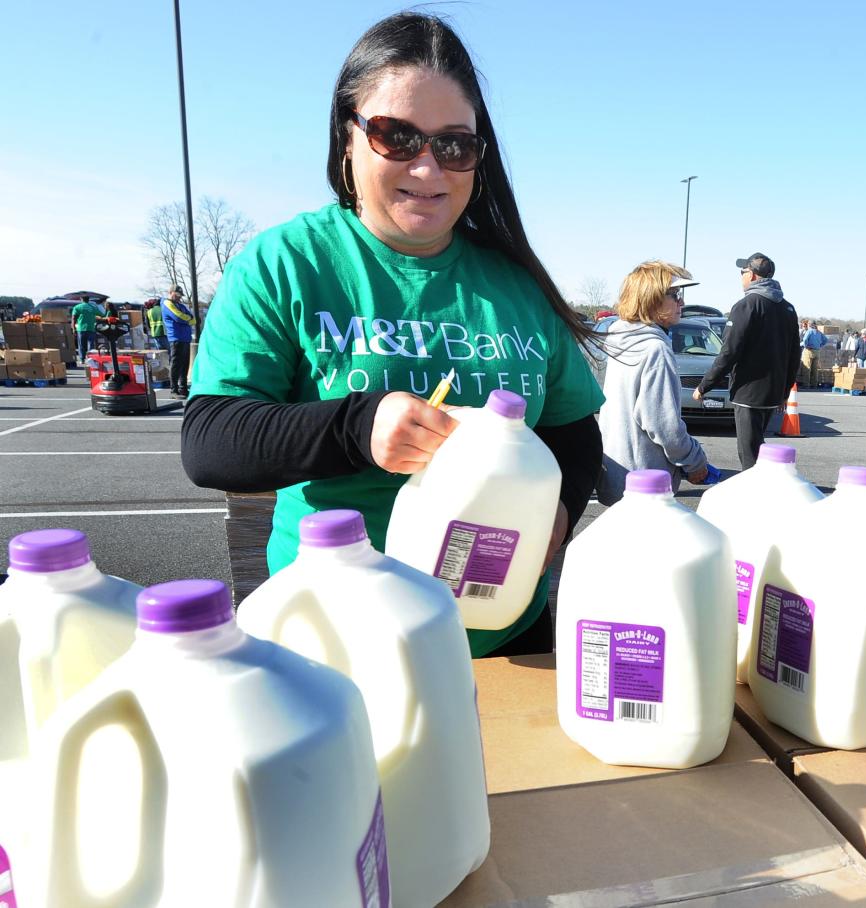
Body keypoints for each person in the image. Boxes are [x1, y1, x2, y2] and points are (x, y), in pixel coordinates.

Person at [180, 12, 604, 659]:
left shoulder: (515, 282)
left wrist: (564, 509)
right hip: (336, 641)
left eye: (455, 145)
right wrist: (358, 426)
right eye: (396, 136)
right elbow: (211, 440)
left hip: (502, 638)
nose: (429, 170)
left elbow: (574, 431)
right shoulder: (286, 261)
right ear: (346, 137)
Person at [596, 262, 708, 503]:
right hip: (647, 486)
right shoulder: (655, 349)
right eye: (675, 295)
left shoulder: (618, 341)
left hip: (617, 473)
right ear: (651, 299)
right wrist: (695, 460)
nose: (682, 303)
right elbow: (664, 426)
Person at [693, 253, 800, 470]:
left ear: (751, 275)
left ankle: (753, 494)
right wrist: (784, 392)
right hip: (772, 393)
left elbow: (729, 352)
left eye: (742, 273)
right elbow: (794, 355)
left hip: (748, 392)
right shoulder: (787, 308)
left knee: (749, 451)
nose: (741, 277)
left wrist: (705, 386)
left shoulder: (747, 305)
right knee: (759, 447)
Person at [161, 285, 195, 399]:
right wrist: (189, 320)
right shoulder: (167, 303)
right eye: (177, 295)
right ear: (171, 292)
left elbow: (192, 318)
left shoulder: (180, 305)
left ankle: (183, 388)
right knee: (176, 364)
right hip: (176, 338)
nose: (179, 298)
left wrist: (189, 319)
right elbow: (178, 317)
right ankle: (174, 389)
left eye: (180, 295)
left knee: (184, 364)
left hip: (185, 338)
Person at [71, 294, 101, 363]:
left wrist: (73, 328)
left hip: (81, 328)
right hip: (91, 328)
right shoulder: (93, 307)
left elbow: (73, 318)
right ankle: (91, 359)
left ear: (81, 299)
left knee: (81, 344)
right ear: (88, 299)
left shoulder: (77, 307)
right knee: (90, 344)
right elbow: (102, 315)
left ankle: (82, 359)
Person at [800, 320, 828, 388]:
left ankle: (806, 384)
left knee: (807, 368)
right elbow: (826, 340)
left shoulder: (809, 331)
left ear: (809, 325)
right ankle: (814, 384)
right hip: (817, 351)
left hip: (809, 351)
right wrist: (820, 345)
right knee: (815, 369)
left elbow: (805, 340)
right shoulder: (819, 332)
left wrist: (806, 346)